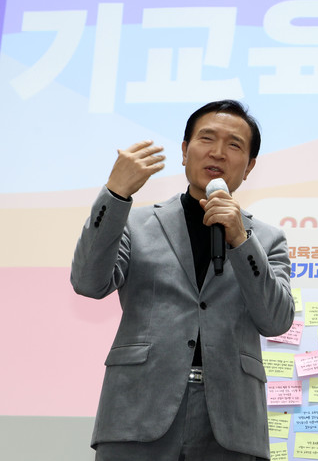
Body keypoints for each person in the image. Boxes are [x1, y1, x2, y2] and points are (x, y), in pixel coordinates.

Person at [71, 100, 295, 460]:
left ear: (249, 166)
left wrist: (241, 241)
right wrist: (115, 194)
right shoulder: (134, 224)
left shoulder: (266, 240)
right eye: (207, 138)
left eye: (234, 144)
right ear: (184, 150)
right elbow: (88, 282)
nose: (218, 152)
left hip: (231, 425)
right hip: (137, 414)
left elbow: (276, 320)